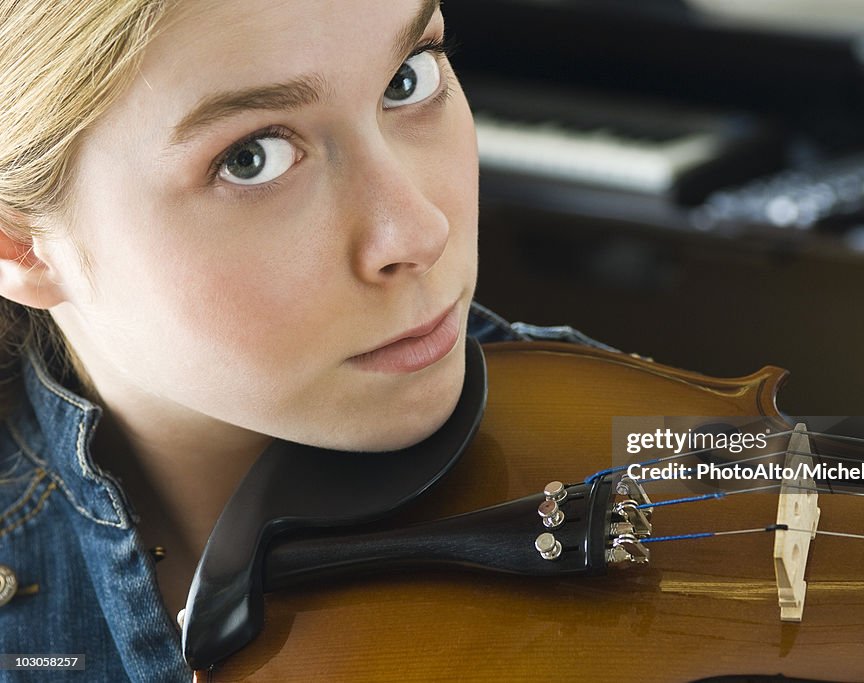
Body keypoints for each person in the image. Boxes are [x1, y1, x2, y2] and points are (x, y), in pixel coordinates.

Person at [0, 1, 611, 680]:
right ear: (19, 245)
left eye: (407, 78)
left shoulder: (624, 439)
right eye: (251, 157)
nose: (419, 232)